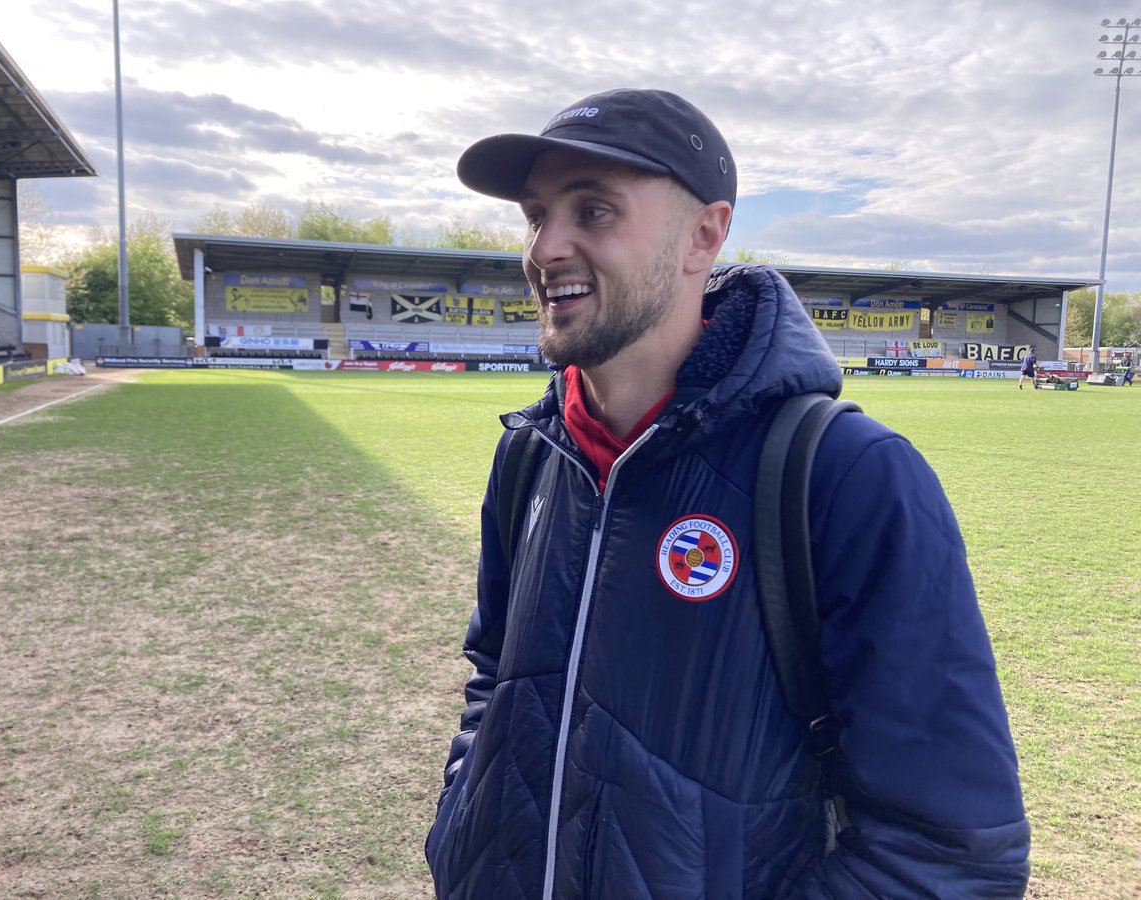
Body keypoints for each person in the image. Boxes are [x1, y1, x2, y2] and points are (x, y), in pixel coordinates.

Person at [426, 88, 1030, 898]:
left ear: (703, 237)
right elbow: (496, 676)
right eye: (537, 216)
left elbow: (955, 850)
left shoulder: (844, 473)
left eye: (593, 211)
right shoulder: (530, 455)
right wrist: (460, 825)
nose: (546, 248)